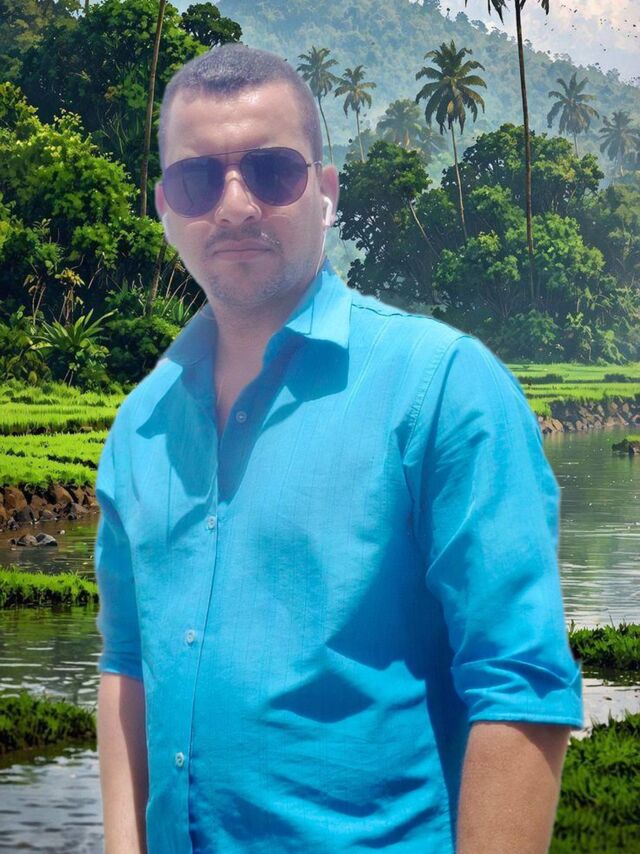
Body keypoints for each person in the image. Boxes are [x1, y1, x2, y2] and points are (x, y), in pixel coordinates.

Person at [94, 43, 583, 854]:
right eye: (198, 179)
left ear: (325, 192)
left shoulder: (443, 387)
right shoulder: (138, 427)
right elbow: (128, 663)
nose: (236, 204)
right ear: (165, 207)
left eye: (272, 171)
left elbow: (520, 682)